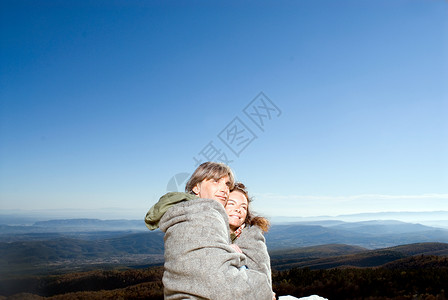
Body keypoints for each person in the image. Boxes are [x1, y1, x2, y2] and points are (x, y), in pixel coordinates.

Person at [145, 162, 273, 300]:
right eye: (216, 181)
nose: (224, 189)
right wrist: (262, 289)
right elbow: (214, 278)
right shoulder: (199, 216)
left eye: (227, 185)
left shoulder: (224, 226)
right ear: (196, 187)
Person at [225, 182, 272, 286]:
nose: (238, 209)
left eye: (243, 207)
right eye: (231, 203)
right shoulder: (210, 234)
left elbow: (263, 275)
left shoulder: (252, 237)